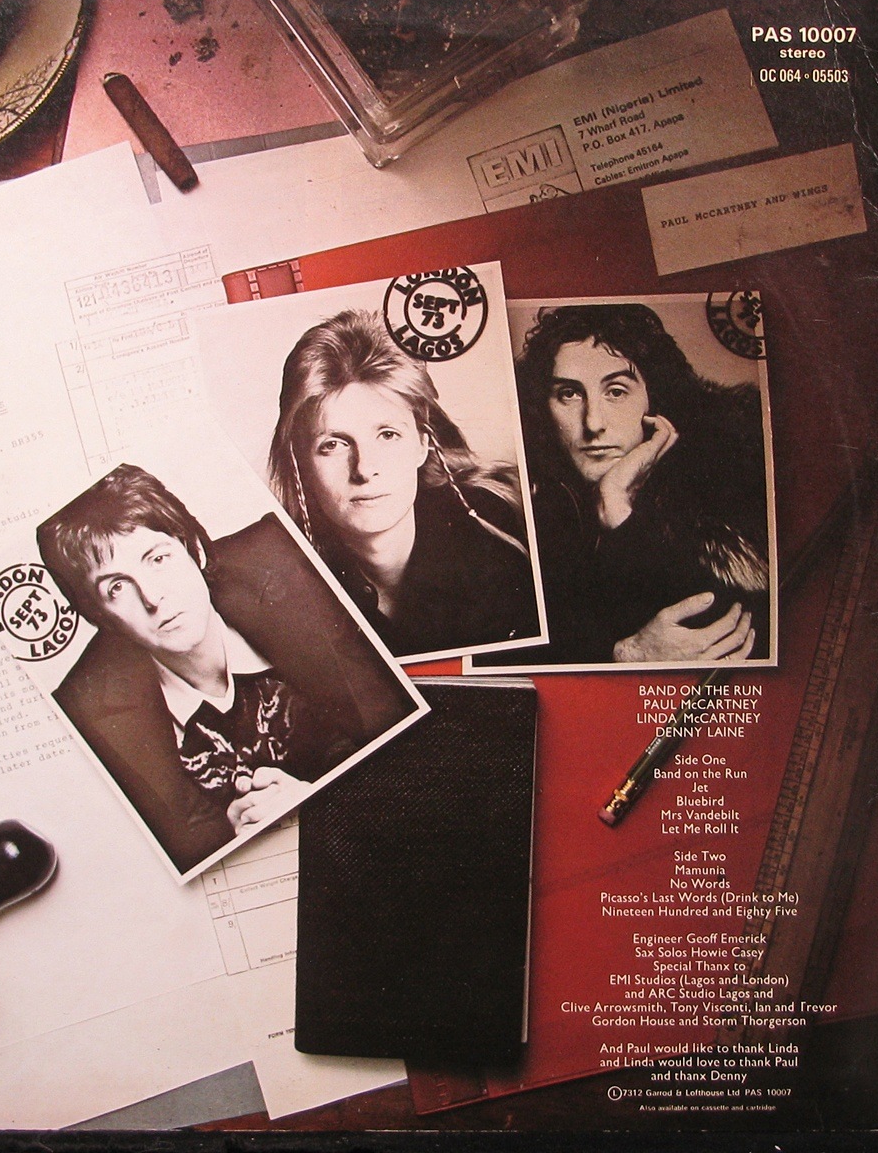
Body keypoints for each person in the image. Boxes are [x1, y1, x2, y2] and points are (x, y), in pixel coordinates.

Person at [37, 464, 414, 873]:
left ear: (194, 551)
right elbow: (182, 859)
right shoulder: (82, 709)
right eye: (116, 587)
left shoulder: (285, 559)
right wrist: (233, 844)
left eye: (158, 558)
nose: (152, 597)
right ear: (100, 617)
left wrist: (314, 801)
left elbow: (400, 731)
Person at [267, 309, 540, 659]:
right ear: (300, 465)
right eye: (333, 444)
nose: (364, 469)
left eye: (388, 435)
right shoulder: (282, 592)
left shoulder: (507, 542)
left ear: (422, 444)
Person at [513, 303, 770, 665]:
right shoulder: (525, 513)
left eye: (616, 391)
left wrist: (616, 507)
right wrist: (625, 655)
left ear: (655, 400)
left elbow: (737, 639)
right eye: (569, 394)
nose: (593, 423)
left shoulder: (724, 487)